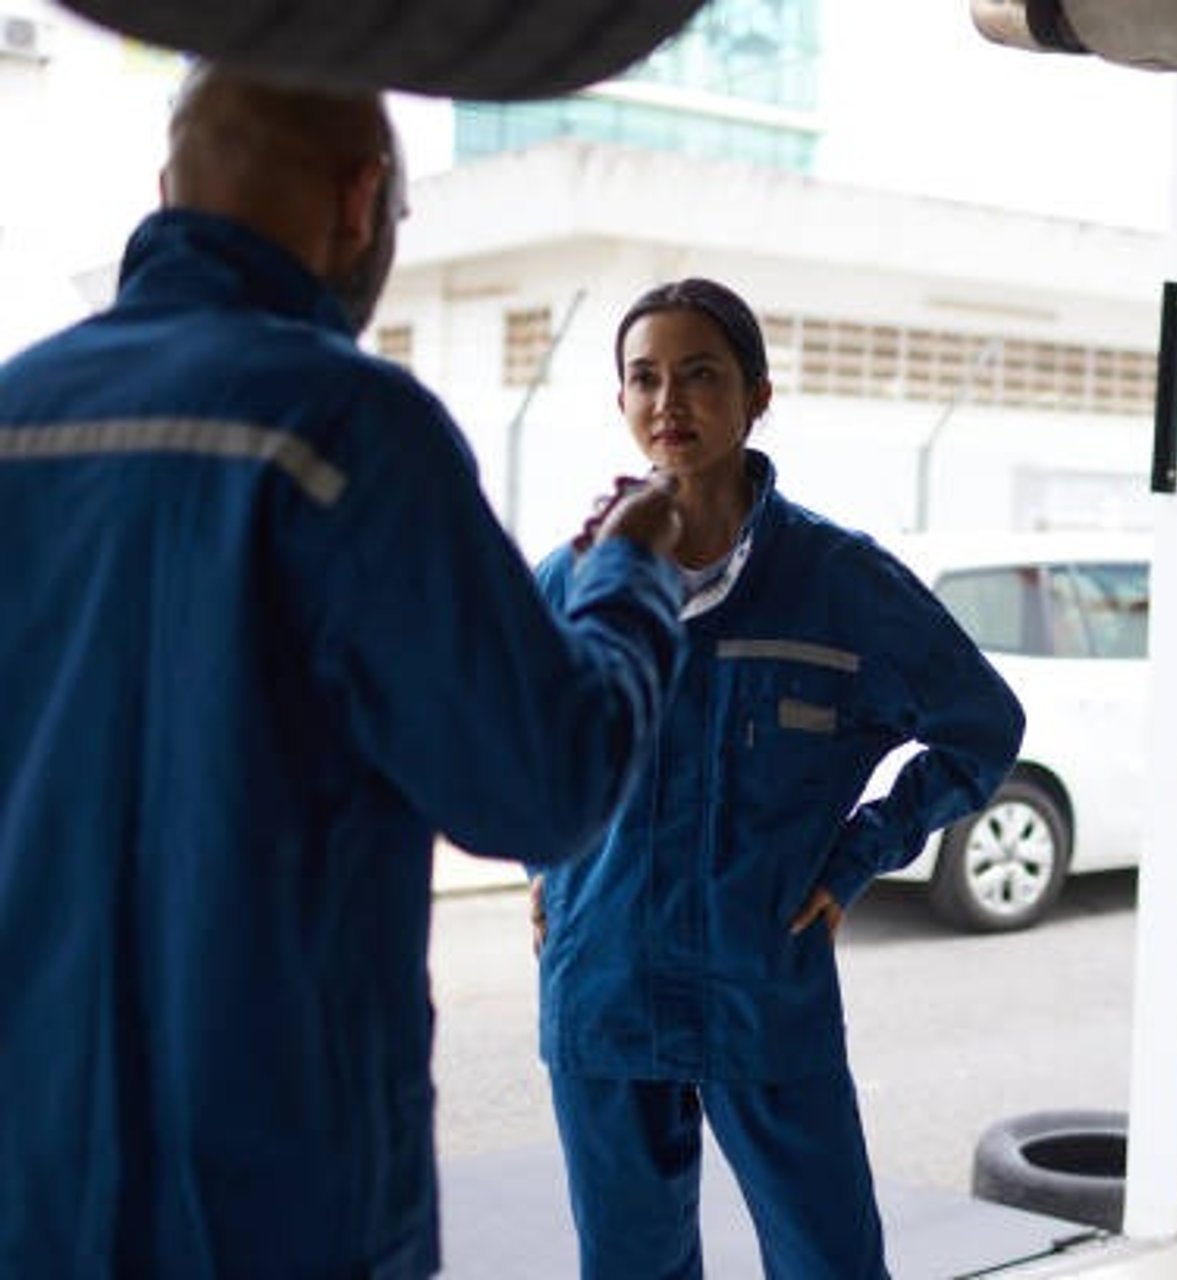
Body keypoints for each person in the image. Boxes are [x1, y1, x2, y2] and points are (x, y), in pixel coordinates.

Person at [0, 65, 685, 1277]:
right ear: (362, 200)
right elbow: (541, 783)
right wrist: (631, 580)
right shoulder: (349, 429)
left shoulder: (18, 414)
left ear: (169, 193)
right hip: (271, 1200)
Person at [529, 277, 1025, 1279]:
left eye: (701, 374)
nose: (670, 401)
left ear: (758, 395)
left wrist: (859, 855)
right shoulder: (573, 578)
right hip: (605, 984)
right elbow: (528, 741)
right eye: (645, 378)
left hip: (762, 987)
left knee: (830, 1260)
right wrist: (548, 862)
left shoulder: (843, 584)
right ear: (622, 402)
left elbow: (982, 727)